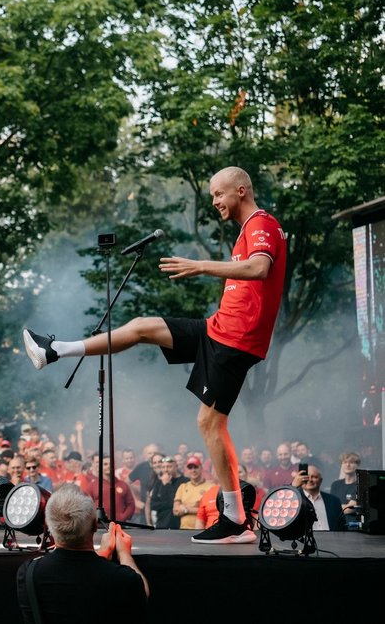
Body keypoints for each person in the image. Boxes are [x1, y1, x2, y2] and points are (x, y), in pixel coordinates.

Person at [24, 166, 286, 544]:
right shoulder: (248, 229)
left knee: (210, 425)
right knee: (141, 326)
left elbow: (260, 268)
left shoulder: (262, 223)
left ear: (241, 190)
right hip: (217, 329)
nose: (214, 201)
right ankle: (56, 350)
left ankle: (235, 519)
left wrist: (199, 266)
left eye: (218, 194)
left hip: (235, 341)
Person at [15, 484, 148, 621]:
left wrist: (101, 554)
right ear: (95, 525)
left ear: (47, 524)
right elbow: (142, 593)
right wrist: (124, 554)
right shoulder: (122, 578)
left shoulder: (28, 573)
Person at [292, 464, 345, 531]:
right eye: (306, 477)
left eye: (314, 477)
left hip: (331, 540)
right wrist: (293, 486)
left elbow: (342, 527)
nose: (310, 480)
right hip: (304, 540)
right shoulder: (294, 500)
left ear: (321, 480)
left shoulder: (334, 501)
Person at [173, 455, 214, 529]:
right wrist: (197, 505)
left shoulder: (211, 487)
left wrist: (186, 509)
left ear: (201, 468)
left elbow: (210, 510)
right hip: (184, 530)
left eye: (196, 467)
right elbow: (175, 511)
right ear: (187, 470)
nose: (193, 470)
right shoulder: (183, 487)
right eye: (190, 468)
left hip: (203, 530)